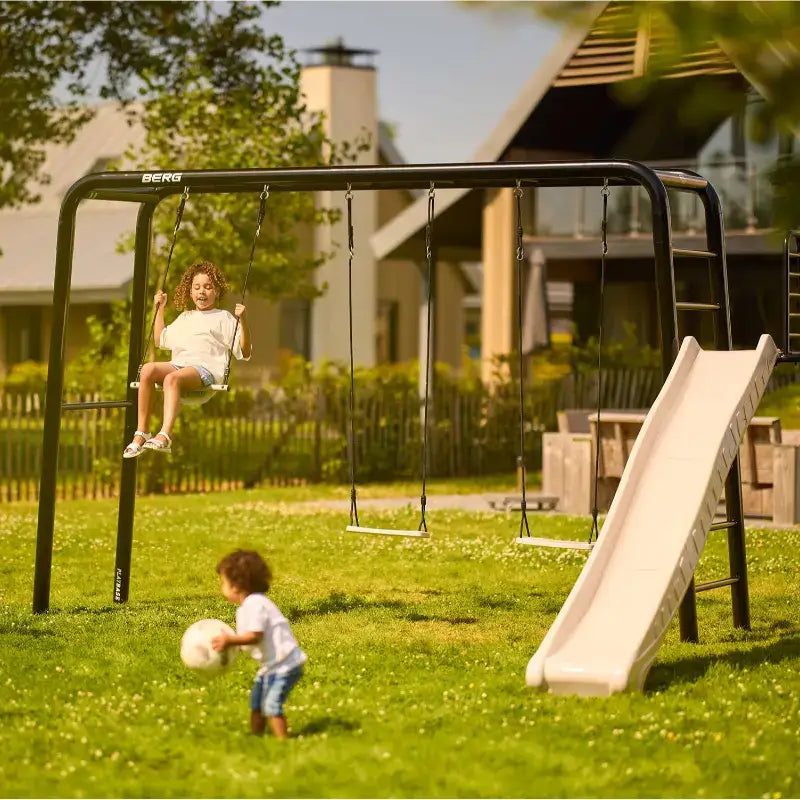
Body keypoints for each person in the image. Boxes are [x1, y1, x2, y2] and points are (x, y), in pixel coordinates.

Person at [122, 260, 251, 458]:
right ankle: (142, 432)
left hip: (205, 371)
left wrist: (243, 320)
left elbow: (245, 352)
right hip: (179, 367)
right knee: (147, 369)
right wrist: (160, 308)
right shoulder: (185, 318)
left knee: (171, 378)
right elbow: (159, 340)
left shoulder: (223, 318)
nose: (202, 291)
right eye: (196, 287)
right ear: (190, 292)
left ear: (217, 291)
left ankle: (165, 435)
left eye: (208, 287)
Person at [212, 549, 307, 739]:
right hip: (272, 665)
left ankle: (283, 743)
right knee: (256, 703)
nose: (221, 587)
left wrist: (230, 640)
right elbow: (247, 640)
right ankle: (256, 738)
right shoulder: (246, 608)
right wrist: (230, 644)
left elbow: (255, 636)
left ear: (236, 586)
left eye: (223, 582)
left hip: (286, 664)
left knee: (271, 705)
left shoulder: (256, 604)